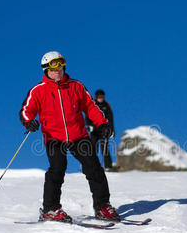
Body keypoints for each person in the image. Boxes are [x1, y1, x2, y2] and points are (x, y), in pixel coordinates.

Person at [19, 51, 120, 222]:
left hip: (78, 135)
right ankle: (50, 209)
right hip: (53, 137)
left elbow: (90, 107)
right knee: (57, 169)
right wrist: (29, 122)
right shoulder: (38, 91)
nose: (57, 71)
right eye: (53, 67)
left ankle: (102, 206)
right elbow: (26, 111)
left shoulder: (76, 86)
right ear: (46, 70)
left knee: (94, 167)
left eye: (60, 66)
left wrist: (102, 123)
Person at [85, 89, 115, 170]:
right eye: (99, 97)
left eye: (102, 97)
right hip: (94, 130)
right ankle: (92, 165)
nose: (100, 98)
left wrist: (112, 130)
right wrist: (88, 126)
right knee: (93, 148)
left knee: (104, 147)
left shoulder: (106, 106)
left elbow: (110, 119)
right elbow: (87, 116)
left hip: (104, 131)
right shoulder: (93, 105)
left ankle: (108, 166)